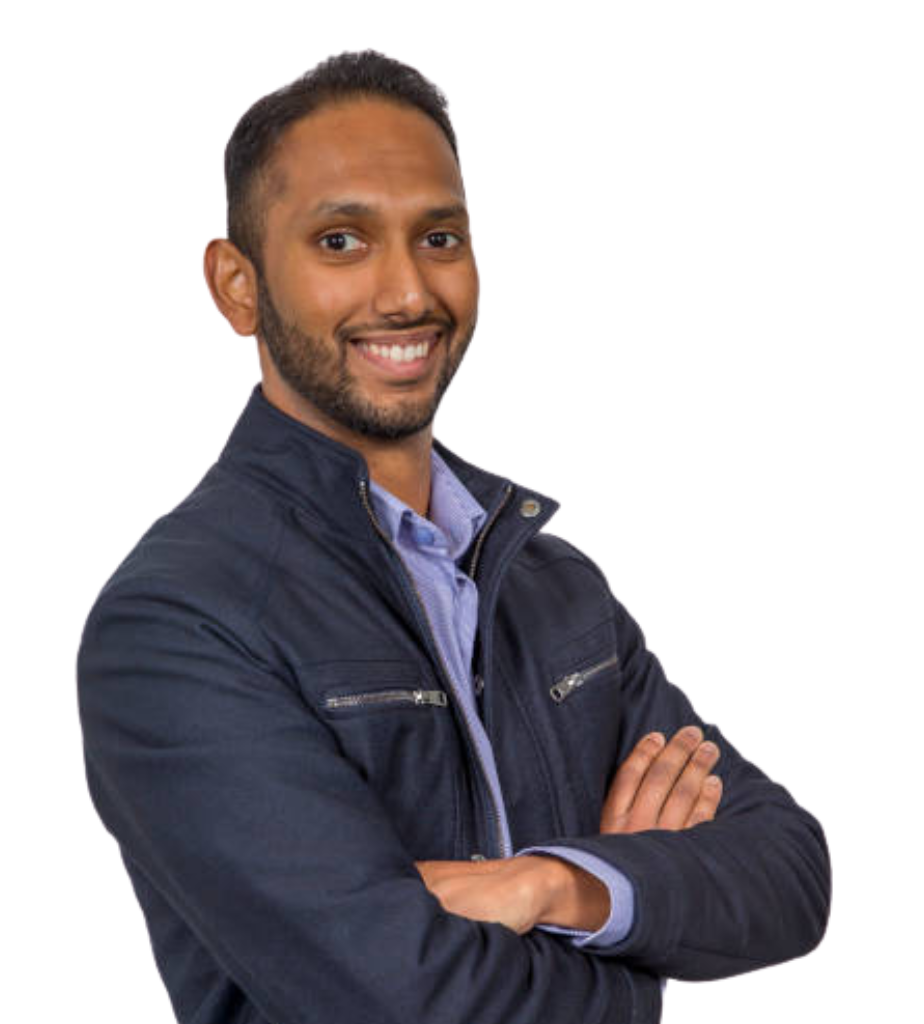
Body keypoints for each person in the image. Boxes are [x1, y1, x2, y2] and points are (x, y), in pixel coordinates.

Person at [76, 50, 830, 1024]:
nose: (405, 293)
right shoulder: (180, 622)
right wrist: (638, 943)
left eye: (438, 237)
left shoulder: (552, 589)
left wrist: (556, 885)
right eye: (341, 241)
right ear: (238, 286)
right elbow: (405, 1003)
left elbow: (790, 871)